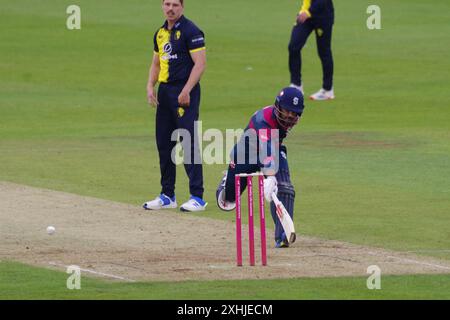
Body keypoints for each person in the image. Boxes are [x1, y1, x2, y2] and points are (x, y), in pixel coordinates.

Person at [216, 87, 305, 248]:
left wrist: (273, 179)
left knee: (285, 188)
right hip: (246, 156)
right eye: (287, 111)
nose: (290, 116)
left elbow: (272, 148)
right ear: (278, 106)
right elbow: (266, 147)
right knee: (228, 200)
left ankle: (282, 235)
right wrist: (270, 176)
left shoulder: (283, 121)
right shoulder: (262, 120)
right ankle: (225, 182)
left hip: (272, 151)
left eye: (294, 113)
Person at [143, 0, 207, 212]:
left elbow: (200, 63)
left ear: (182, 7)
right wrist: (150, 85)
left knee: (187, 142)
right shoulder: (160, 33)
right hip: (166, 92)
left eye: (175, 5)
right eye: (167, 4)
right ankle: (167, 195)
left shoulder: (191, 30)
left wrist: (187, 89)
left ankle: (197, 196)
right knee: (164, 143)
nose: (170, 8)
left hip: (184, 91)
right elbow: (157, 62)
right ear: (162, 6)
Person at [288, 0, 335, 100]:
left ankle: (327, 90)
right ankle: (296, 85)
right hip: (306, 15)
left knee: (324, 51)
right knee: (293, 46)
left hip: (323, 16)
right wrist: (305, 11)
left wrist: (308, 12)